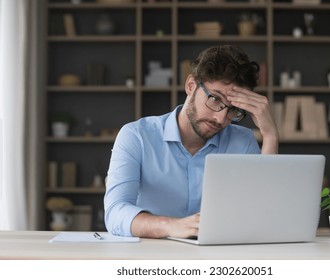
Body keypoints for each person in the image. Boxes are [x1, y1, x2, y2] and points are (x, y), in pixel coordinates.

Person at [104, 45, 279, 238]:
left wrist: (270, 135)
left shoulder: (242, 141)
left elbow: (264, 215)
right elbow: (115, 213)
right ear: (190, 86)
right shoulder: (136, 136)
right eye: (215, 99)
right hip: (151, 256)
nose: (221, 118)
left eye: (233, 110)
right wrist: (172, 226)